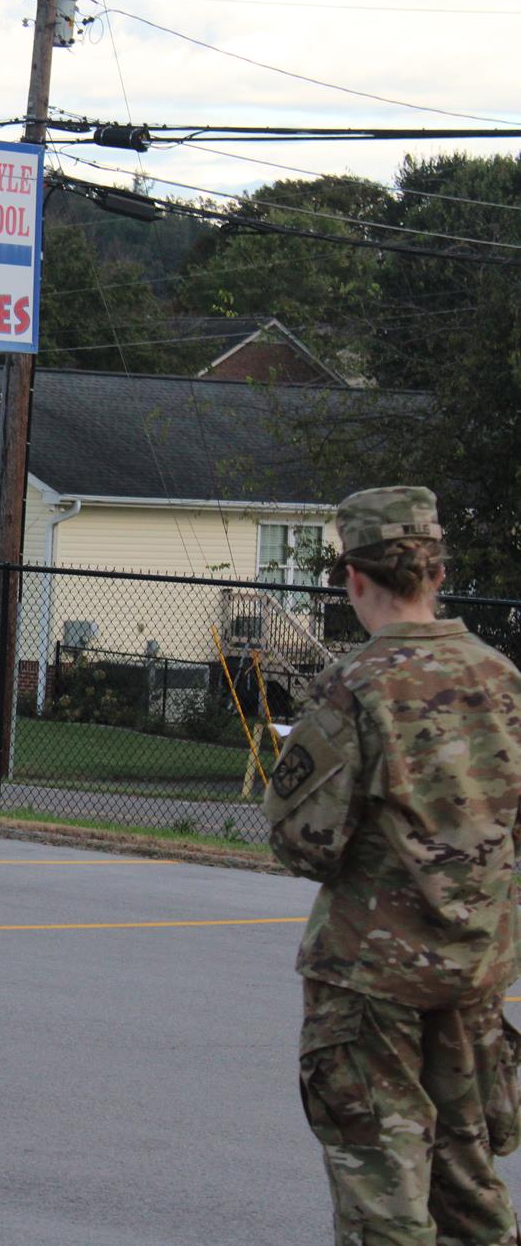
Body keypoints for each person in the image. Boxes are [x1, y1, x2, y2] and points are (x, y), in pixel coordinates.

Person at [263, 485, 521, 1245]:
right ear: (437, 574)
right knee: (469, 1187)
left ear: (354, 580)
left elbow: (301, 839)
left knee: (384, 1191)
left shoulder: (355, 687)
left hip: (372, 979)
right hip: (475, 971)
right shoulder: (504, 679)